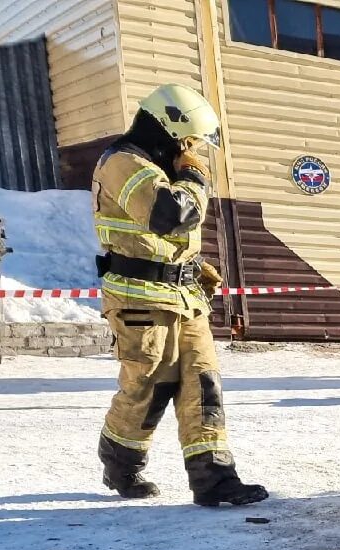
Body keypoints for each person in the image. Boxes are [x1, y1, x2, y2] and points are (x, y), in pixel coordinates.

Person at [92, 84, 266, 506]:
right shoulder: (123, 162)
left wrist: (190, 266)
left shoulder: (156, 165)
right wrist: (194, 178)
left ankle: (215, 480)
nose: (192, 151)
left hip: (183, 297)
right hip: (140, 301)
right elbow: (170, 215)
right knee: (148, 387)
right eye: (188, 141)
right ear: (170, 129)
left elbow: (169, 237)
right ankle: (120, 463)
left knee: (203, 386)